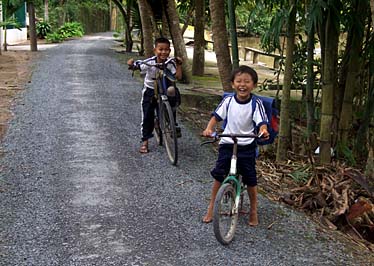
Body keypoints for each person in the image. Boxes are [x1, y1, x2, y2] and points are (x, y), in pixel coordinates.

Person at [202, 65, 269, 226]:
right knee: (219, 173)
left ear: (254, 85)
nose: (242, 85)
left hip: (247, 144)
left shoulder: (256, 103)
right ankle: (212, 206)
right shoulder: (228, 100)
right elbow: (216, 116)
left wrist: (263, 130)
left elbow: (262, 122)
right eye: (238, 81)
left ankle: (253, 209)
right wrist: (209, 128)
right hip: (228, 142)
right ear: (233, 84)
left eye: (247, 81)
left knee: (250, 178)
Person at [127, 37, 183, 154]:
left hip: (165, 90)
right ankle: (145, 141)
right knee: (147, 115)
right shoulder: (150, 62)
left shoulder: (170, 62)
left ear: (170, 51)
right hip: (150, 91)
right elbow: (138, 66)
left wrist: (179, 65)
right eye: (160, 49)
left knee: (173, 94)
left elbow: (178, 77)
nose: (163, 52)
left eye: (166, 50)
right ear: (155, 50)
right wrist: (132, 64)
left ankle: (172, 123)